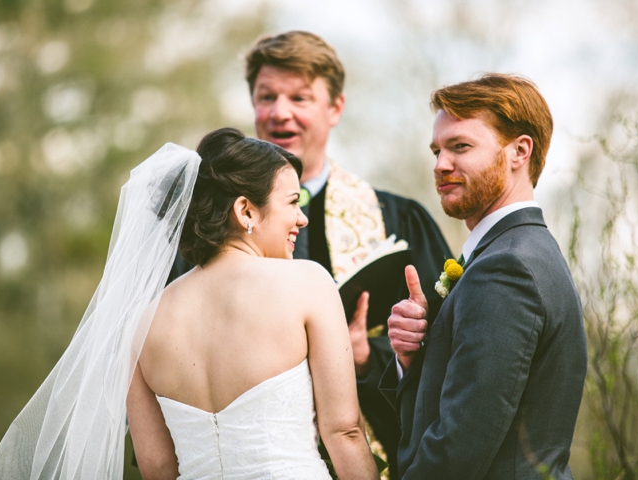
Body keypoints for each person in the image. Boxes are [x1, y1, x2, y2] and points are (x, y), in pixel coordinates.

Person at [0, 128, 379, 479]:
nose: (302, 219)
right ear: (245, 211)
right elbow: (343, 430)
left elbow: (156, 467)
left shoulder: (141, 321)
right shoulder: (307, 283)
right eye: (293, 202)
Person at [168, 31, 453, 478]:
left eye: (299, 97)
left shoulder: (398, 220)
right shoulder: (203, 234)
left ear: (335, 108)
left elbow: (453, 345)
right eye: (267, 97)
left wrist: (372, 355)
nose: (280, 112)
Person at [380, 74, 587, 478]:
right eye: (437, 149)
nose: (440, 164)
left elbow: (460, 447)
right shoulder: (517, 253)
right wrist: (412, 355)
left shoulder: (507, 268)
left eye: (460, 146)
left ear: (519, 152)